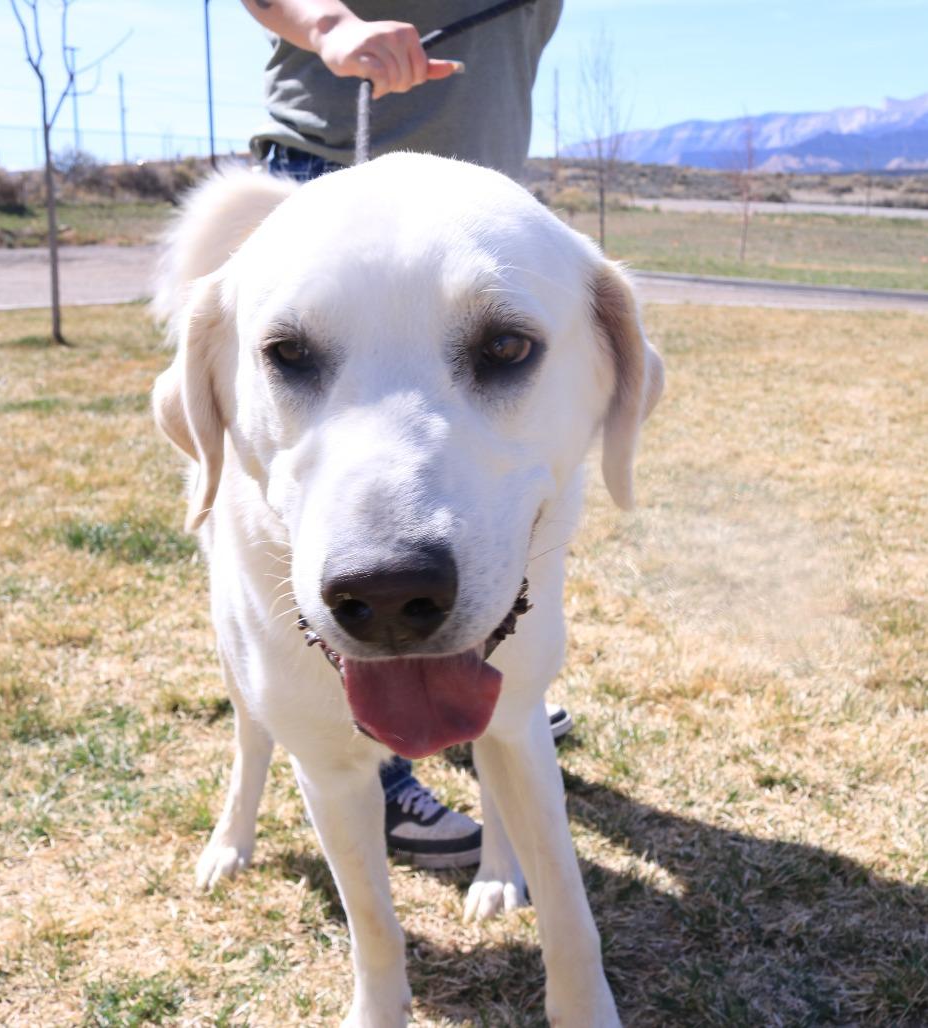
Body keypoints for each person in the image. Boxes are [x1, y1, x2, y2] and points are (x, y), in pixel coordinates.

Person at [240, 0, 568, 869]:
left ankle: (492, 680)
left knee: (486, 495)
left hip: (482, 200)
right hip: (330, 171)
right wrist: (328, 26)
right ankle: (372, 763)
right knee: (350, 515)